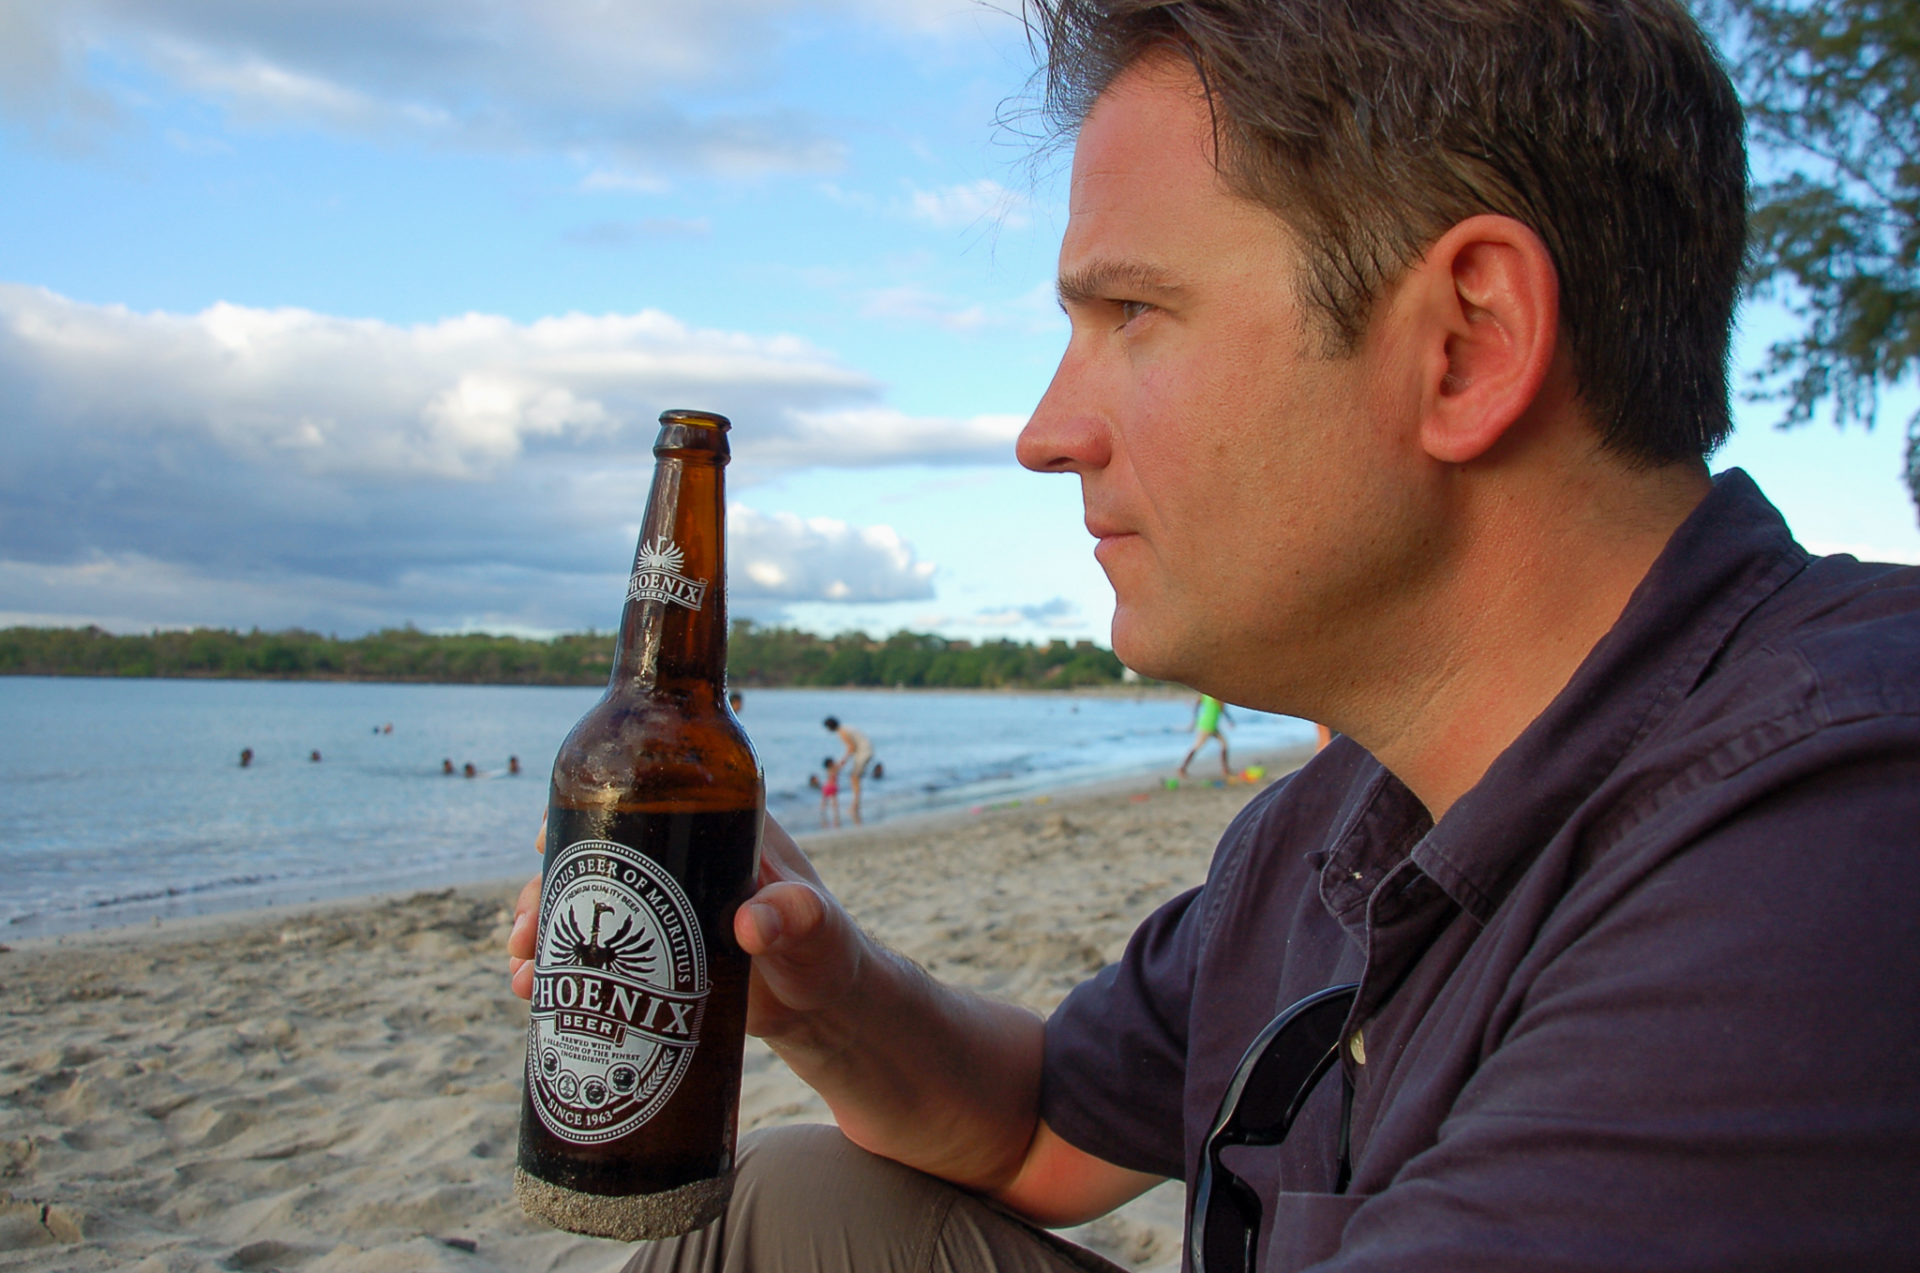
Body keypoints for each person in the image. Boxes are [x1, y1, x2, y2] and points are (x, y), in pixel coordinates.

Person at [506, 2, 1920, 1268]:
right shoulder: (1329, 828)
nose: (1044, 435)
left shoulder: (1834, 840)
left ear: (1468, 345)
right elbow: (1036, 1136)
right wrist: (817, 988)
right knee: (795, 1196)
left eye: (1132, 311)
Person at [822, 715, 874, 823]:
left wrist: (842, 762)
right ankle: (855, 805)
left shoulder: (842, 732)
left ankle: (855, 806)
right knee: (855, 778)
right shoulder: (845, 728)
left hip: (864, 753)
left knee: (854, 778)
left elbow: (851, 747)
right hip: (866, 751)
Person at [1176, 693, 1231, 779]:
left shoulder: (1206, 695)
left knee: (1224, 745)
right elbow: (1223, 709)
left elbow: (1197, 706)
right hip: (1207, 726)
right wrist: (1230, 720)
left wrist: (1194, 720)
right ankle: (1182, 769)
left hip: (1211, 725)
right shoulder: (1216, 697)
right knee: (1197, 746)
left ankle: (1225, 769)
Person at [819, 757, 842, 829]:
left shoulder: (828, 770)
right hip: (833, 786)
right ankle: (835, 812)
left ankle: (822, 811)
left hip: (828, 786)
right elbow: (840, 765)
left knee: (824, 799)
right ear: (830, 763)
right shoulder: (834, 769)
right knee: (834, 800)